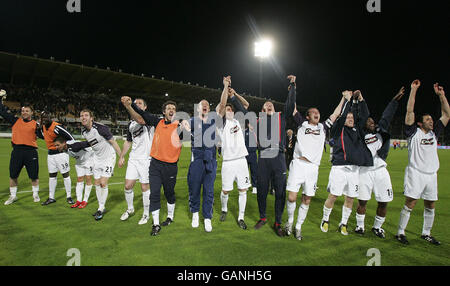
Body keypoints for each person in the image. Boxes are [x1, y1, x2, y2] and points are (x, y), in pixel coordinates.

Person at [230, 75, 296, 237]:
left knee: (280, 192)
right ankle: (263, 217)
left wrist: (293, 86)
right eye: (265, 105)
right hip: (264, 159)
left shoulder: (281, 116)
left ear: (274, 108)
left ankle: (278, 222)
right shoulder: (258, 120)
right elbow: (243, 110)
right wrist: (232, 96)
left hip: (279, 158)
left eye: (270, 105)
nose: (268, 105)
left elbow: (290, 103)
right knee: (261, 191)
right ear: (262, 110)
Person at [122, 97, 187, 236]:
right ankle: (156, 224)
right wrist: (131, 104)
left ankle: (170, 217)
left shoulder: (179, 125)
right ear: (164, 112)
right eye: (169, 108)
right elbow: (142, 114)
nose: (171, 110)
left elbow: (192, 133)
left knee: (169, 193)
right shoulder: (157, 122)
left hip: (170, 166)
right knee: (155, 193)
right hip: (155, 164)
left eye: (174, 109)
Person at [284, 94, 345, 240]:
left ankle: (298, 227)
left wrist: (344, 98)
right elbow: (292, 108)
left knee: (306, 199)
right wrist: (293, 86)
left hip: (312, 168)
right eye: (313, 112)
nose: (316, 113)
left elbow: (336, 114)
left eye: (318, 112)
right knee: (292, 197)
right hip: (298, 164)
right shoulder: (301, 124)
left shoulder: (323, 127)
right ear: (307, 116)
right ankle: (290, 221)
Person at [396, 80, 449, 245]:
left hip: (431, 174)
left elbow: (447, 114)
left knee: (430, 204)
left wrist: (442, 96)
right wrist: (413, 90)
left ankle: (426, 233)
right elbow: (410, 110)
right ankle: (400, 232)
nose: (431, 121)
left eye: (431, 119)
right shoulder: (413, 132)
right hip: (416, 173)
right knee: (410, 203)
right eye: (427, 120)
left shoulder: (434, 133)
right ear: (420, 123)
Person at [320, 90, 373, 235]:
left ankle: (343, 223)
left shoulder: (358, 130)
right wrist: (348, 100)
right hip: (339, 168)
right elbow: (342, 115)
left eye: (352, 117)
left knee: (350, 198)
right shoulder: (338, 130)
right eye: (348, 117)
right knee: (333, 196)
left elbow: (365, 115)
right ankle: (325, 219)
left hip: (354, 170)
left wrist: (361, 99)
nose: (350, 119)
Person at [354, 87, 404, 238]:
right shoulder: (362, 134)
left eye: (372, 121)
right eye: (368, 120)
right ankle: (360, 226)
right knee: (362, 201)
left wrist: (395, 100)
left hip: (381, 170)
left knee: (384, 201)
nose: (371, 122)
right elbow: (363, 114)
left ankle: (377, 227)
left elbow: (387, 115)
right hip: (365, 171)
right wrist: (360, 100)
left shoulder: (380, 130)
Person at [216, 76, 251, 230]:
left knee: (243, 190)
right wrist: (225, 86)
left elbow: (246, 105)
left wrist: (234, 94)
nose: (228, 111)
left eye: (231, 109)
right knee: (226, 191)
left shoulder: (238, 121)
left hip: (241, 161)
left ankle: (241, 217)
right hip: (228, 162)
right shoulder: (220, 123)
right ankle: (224, 209)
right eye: (226, 110)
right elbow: (223, 104)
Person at [80, 109, 122, 221]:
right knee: (97, 183)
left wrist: (121, 156)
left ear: (91, 118)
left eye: (86, 115)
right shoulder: (83, 131)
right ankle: (100, 207)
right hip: (97, 159)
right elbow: (92, 143)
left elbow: (113, 142)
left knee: (103, 183)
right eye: (81, 116)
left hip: (108, 157)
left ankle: (101, 208)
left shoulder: (101, 128)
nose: (83, 117)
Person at [118, 98, 154, 225]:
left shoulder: (147, 119)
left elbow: (140, 119)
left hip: (146, 159)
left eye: (140, 104)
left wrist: (129, 106)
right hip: (133, 158)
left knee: (144, 187)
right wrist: (122, 156)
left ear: (144, 107)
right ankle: (130, 209)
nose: (137, 105)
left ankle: (145, 214)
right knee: (128, 185)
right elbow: (128, 141)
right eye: (136, 103)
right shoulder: (130, 124)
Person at [0, 97, 40, 205]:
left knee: (34, 176)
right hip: (17, 151)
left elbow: (45, 135)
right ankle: (13, 196)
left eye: (27, 111)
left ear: (31, 112)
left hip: (31, 151)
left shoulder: (36, 125)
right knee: (13, 175)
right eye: (23, 111)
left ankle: (35, 194)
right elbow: (2, 112)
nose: (24, 112)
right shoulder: (15, 121)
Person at [186, 98, 218, 233]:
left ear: (209, 109)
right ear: (198, 108)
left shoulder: (213, 120)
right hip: (197, 159)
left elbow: (222, 104)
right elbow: (182, 129)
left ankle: (207, 217)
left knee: (209, 190)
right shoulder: (193, 121)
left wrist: (226, 86)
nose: (205, 106)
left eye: (207, 104)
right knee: (194, 187)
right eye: (202, 105)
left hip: (210, 159)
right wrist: (184, 126)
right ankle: (194, 213)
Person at [38, 111, 75, 206]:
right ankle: (51, 197)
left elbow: (70, 137)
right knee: (52, 175)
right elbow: (45, 137)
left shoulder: (56, 127)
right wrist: (37, 130)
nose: (45, 119)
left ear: (51, 117)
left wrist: (67, 147)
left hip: (61, 154)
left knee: (65, 174)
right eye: (43, 118)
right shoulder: (43, 127)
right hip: (50, 155)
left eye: (46, 117)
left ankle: (69, 196)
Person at [53, 136, 94, 208]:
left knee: (88, 179)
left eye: (58, 145)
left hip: (89, 159)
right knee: (79, 179)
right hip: (79, 161)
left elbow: (89, 143)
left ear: (64, 143)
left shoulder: (75, 147)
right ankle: (78, 201)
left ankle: (85, 200)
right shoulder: (63, 148)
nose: (56, 147)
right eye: (55, 145)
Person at [245, 123, 258, 194]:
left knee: (254, 171)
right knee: (245, 171)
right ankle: (246, 185)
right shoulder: (245, 132)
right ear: (248, 124)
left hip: (253, 154)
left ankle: (254, 187)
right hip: (246, 154)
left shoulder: (256, 132)